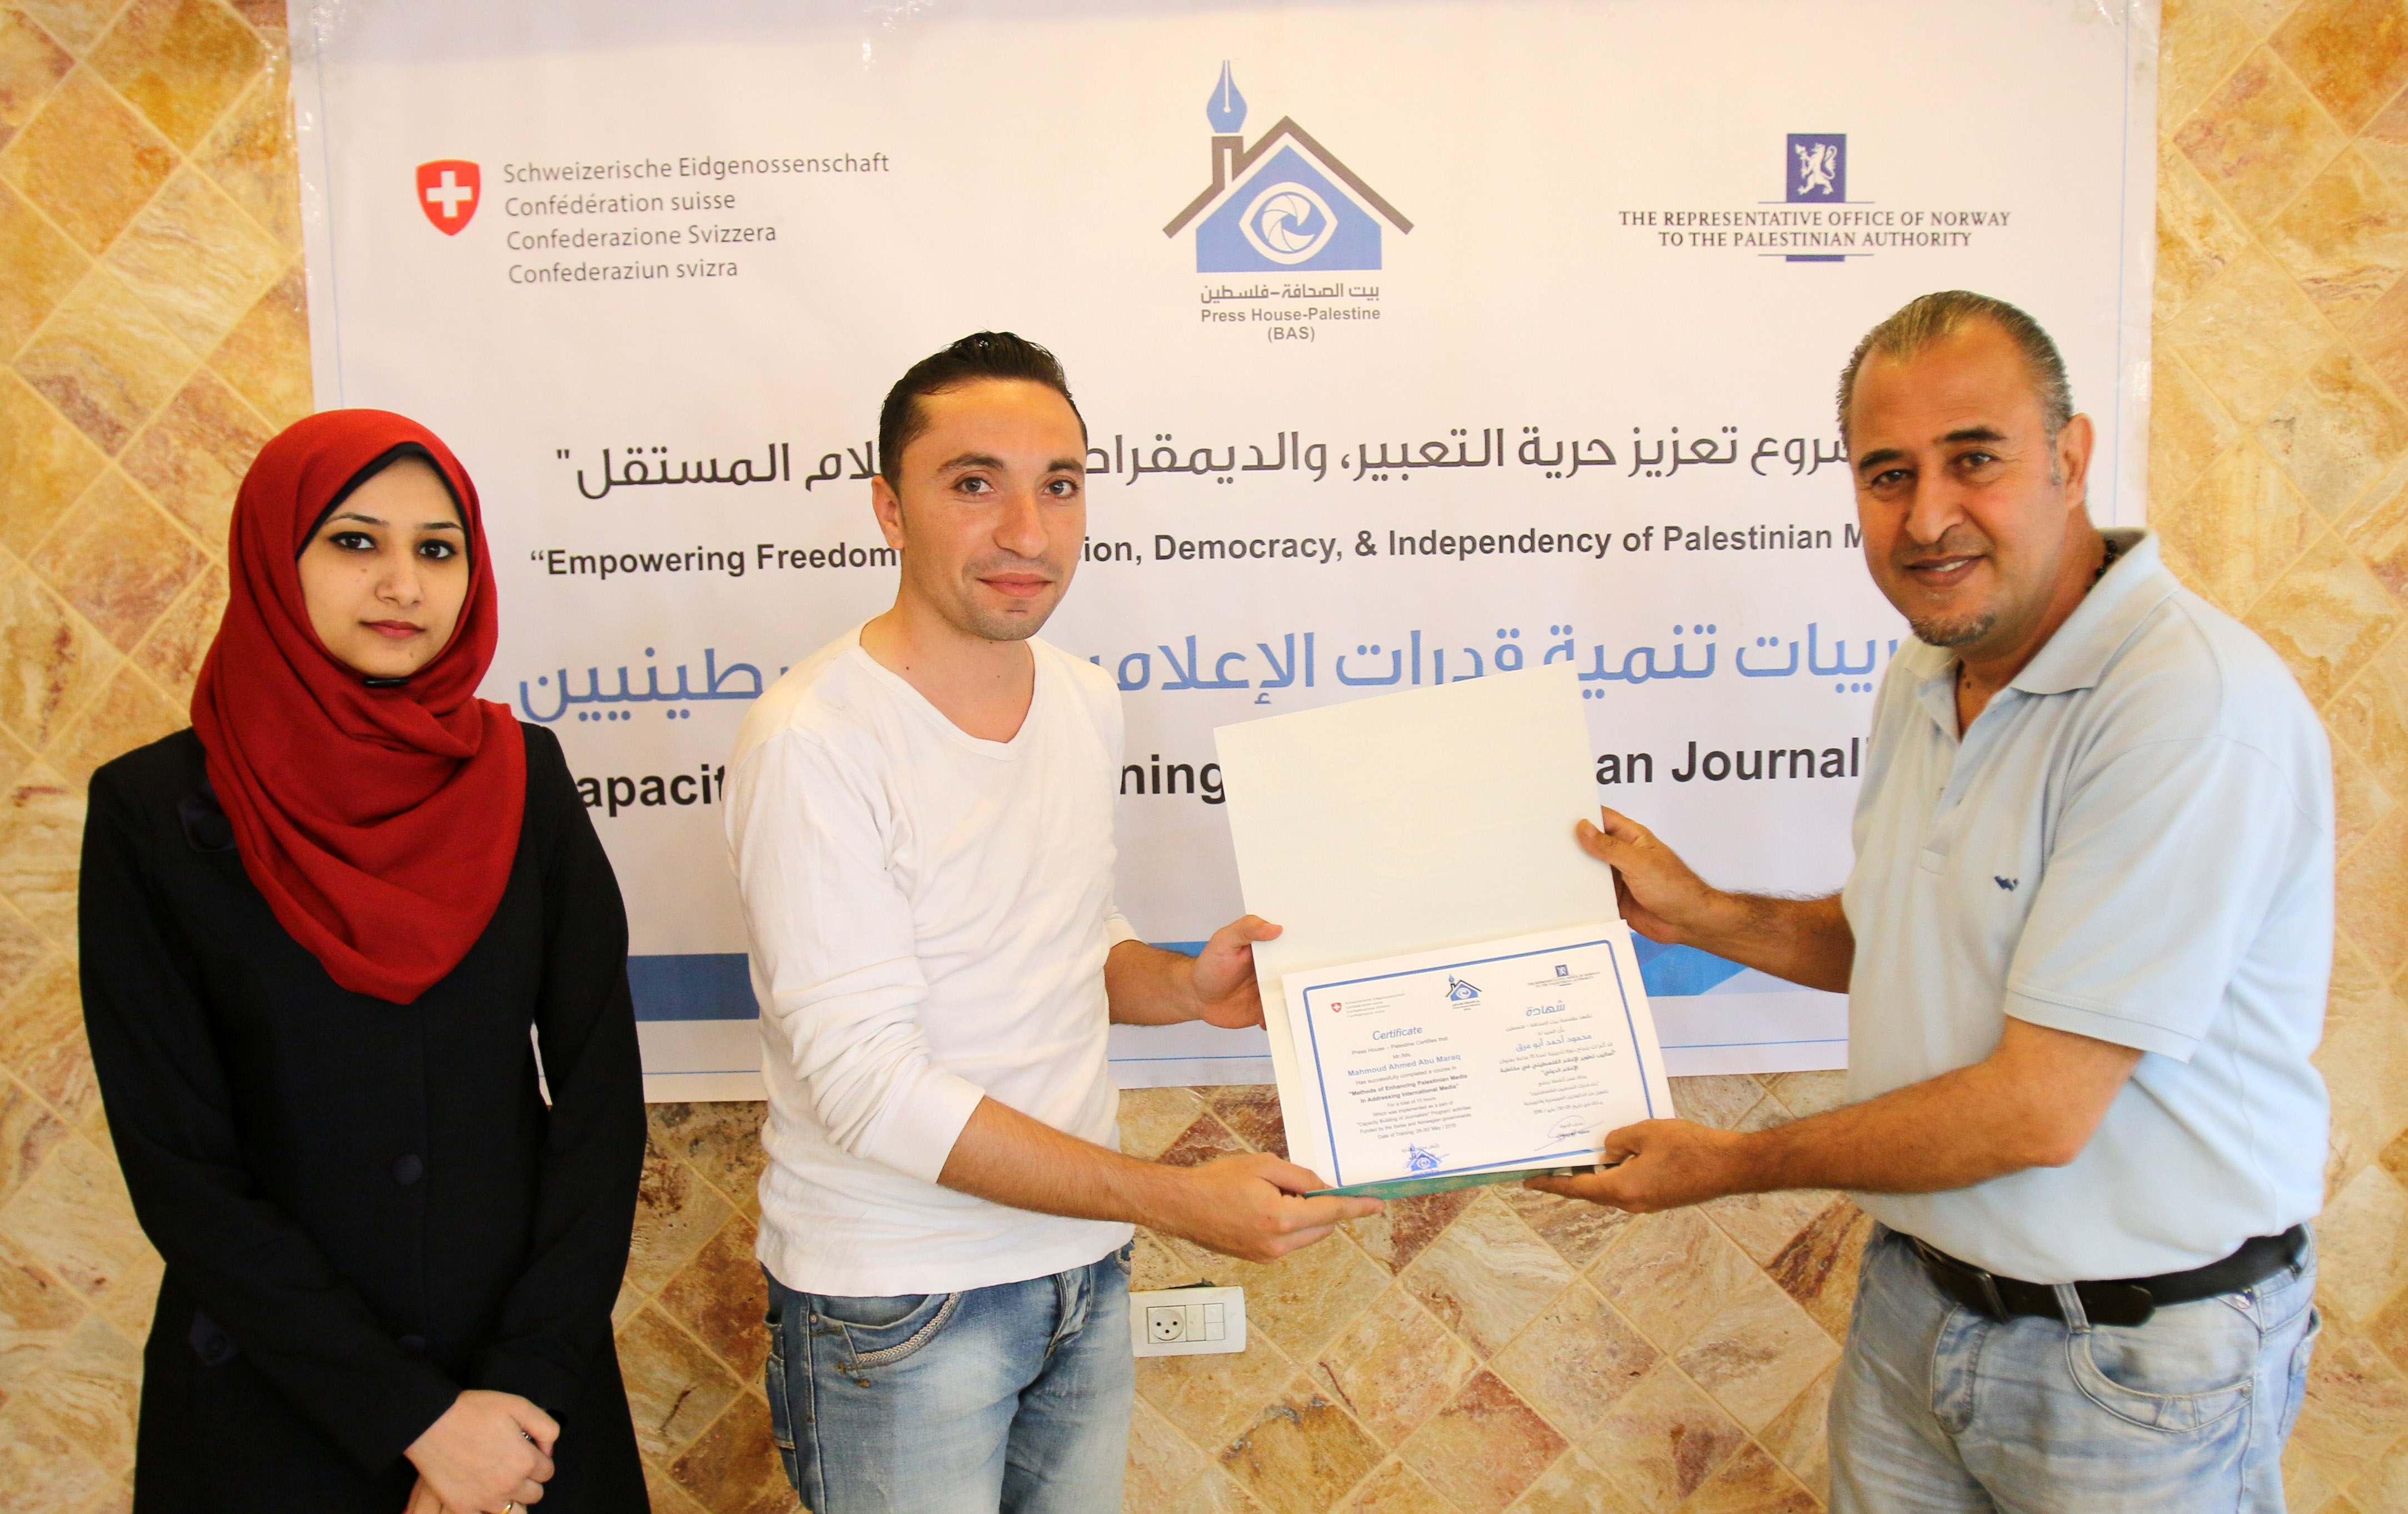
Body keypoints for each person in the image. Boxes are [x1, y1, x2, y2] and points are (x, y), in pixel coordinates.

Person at [1531, 291, 2329, 1512]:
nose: (1928, 517)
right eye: (1888, 474)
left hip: (2132, 1364)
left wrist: (1733, 1164)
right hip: (1920, 1307)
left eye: (1974, 460)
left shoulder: (2184, 708)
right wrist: (1702, 912)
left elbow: (2037, 1111)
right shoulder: (1928, 669)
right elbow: (1900, 943)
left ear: (2070, 458)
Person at [725, 331, 1381, 1513]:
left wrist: (1183, 987)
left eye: (1060, 486)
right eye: (975, 484)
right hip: (900, 1300)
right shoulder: (814, 741)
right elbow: (867, 1086)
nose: (1028, 533)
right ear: (888, 507)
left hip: (1080, 1268)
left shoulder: (1083, 699)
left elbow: (1075, 941)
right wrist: (1175, 1200)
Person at [79, 411, 649, 1513]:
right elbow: (177, 1164)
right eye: (354, 542)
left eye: (438, 548)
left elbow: (599, 1104)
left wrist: (523, 1396)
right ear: (274, 556)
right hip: (273, 1404)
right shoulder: (153, 812)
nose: (403, 584)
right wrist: (418, 1425)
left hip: (525, 1405)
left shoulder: (525, 778)